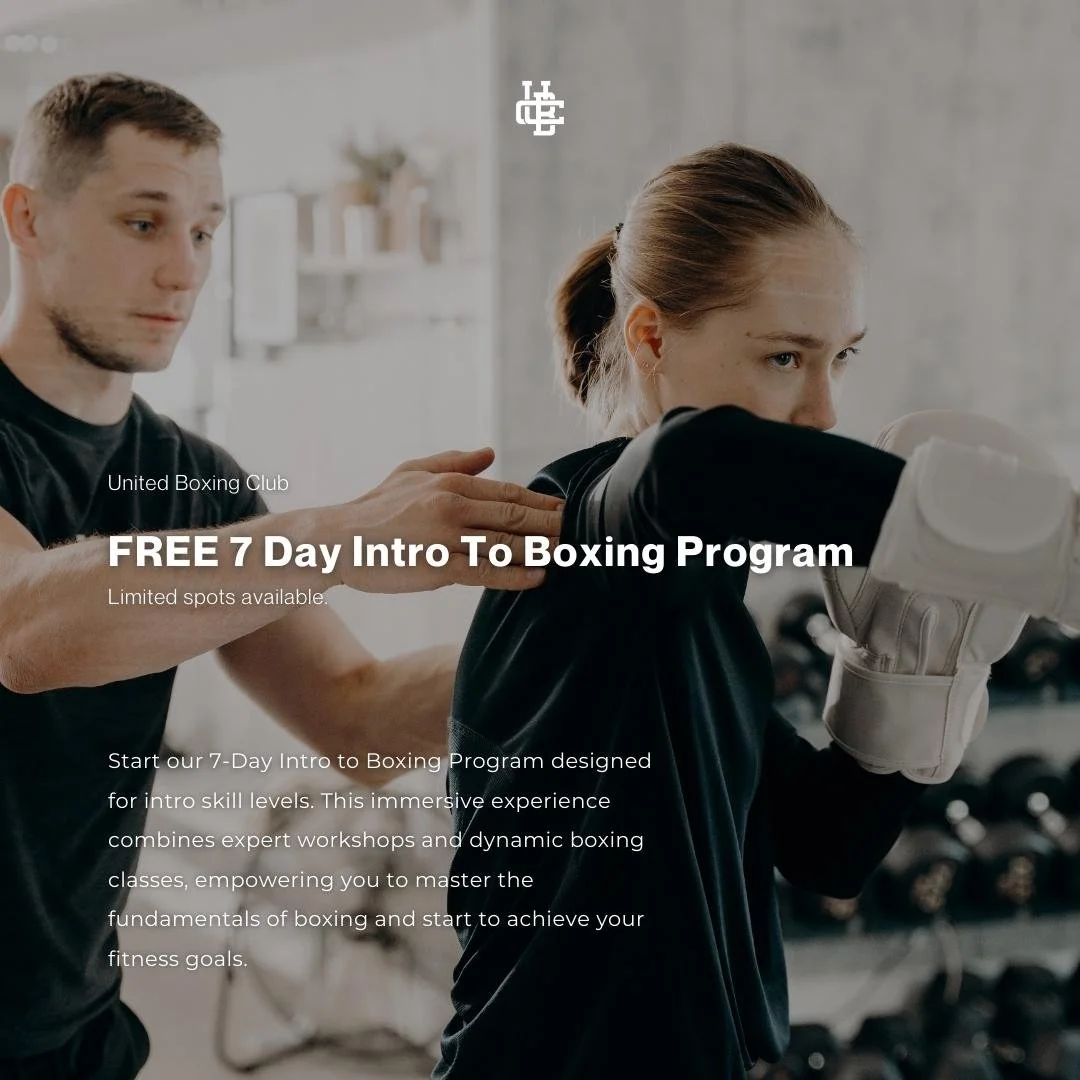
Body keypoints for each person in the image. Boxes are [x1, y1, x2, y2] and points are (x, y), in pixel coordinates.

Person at [431, 144, 1062, 1079]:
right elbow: (698, 467)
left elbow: (823, 847)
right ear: (649, 339)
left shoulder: (691, 609)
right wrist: (1044, 546)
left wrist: (913, 678)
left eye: (840, 357)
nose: (821, 407)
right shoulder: (580, 539)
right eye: (782, 356)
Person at [0, 74, 562, 1078]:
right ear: (27, 218)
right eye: (144, 222)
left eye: (206, 233)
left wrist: (567, 645)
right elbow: (28, 630)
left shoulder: (194, 482)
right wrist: (345, 535)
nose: (184, 271)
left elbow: (356, 715)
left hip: (71, 1040)